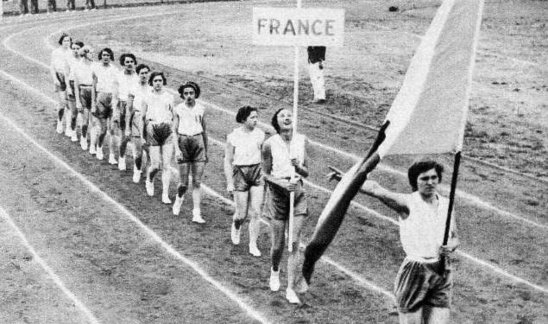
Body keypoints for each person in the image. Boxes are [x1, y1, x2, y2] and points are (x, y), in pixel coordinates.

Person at [328, 159, 459, 324]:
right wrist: (348, 180)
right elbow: (376, 189)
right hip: (416, 270)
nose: (430, 182)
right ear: (415, 182)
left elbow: (454, 237)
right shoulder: (407, 203)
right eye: (424, 179)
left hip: (442, 270)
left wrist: (451, 247)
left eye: (434, 177)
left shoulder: (447, 204)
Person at [262, 108, 310, 304]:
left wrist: (298, 167)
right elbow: (264, 174)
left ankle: (290, 287)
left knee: (294, 243)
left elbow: (307, 172)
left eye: (289, 114)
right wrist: (281, 183)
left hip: (297, 193)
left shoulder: (301, 140)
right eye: (282, 115)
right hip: (277, 194)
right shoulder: (269, 144)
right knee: (278, 245)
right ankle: (274, 270)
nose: (287, 117)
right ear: (276, 122)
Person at [224, 106, 265, 256]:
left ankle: (252, 244)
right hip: (240, 173)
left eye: (256, 117)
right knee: (241, 214)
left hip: (256, 172)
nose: (256, 120)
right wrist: (229, 182)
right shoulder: (233, 136)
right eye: (252, 117)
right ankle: (236, 225)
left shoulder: (260, 134)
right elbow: (228, 160)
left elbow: (265, 156)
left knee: (256, 211)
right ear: (243, 119)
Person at [172, 81, 207, 224]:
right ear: (182, 95)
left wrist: (206, 150)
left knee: (197, 182)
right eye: (186, 93)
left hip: (198, 142)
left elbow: (205, 130)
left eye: (191, 93)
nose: (188, 96)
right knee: (183, 184)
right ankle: (179, 198)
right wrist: (177, 149)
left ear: (195, 94)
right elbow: (174, 131)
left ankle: (196, 213)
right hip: (183, 141)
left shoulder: (201, 109)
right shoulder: (178, 109)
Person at [141, 72, 174, 204]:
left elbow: (174, 115)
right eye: (155, 81)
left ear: (163, 82)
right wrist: (143, 136)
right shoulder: (147, 97)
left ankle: (165, 194)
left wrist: (173, 129)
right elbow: (142, 117)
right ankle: (149, 180)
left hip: (166, 129)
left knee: (167, 165)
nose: (158, 83)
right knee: (156, 165)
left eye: (160, 80)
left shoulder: (169, 97)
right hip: (152, 128)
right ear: (151, 83)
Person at [91, 47, 119, 162]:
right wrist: (93, 103)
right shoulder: (96, 69)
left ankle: (112, 155)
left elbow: (117, 86)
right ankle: (99, 147)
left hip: (112, 98)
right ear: (100, 57)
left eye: (108, 55)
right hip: (101, 98)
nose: (106, 57)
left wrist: (115, 102)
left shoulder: (115, 70)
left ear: (111, 57)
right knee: (103, 129)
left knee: (112, 129)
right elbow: (93, 86)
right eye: (104, 55)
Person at [113, 53, 139, 171]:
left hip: (136, 107)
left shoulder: (138, 76)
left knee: (137, 137)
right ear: (123, 64)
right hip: (123, 106)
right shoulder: (118, 76)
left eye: (131, 62)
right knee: (124, 136)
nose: (129, 64)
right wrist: (116, 112)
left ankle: (136, 163)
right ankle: (122, 158)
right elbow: (115, 95)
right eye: (127, 62)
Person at [127, 63, 151, 183]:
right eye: (142, 73)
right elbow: (129, 109)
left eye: (146, 73)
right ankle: (137, 170)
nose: (144, 75)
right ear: (138, 74)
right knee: (138, 150)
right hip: (137, 118)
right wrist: (127, 126)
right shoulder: (133, 88)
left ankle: (147, 173)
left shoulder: (152, 89)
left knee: (150, 150)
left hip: (149, 120)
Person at [73, 46, 95, 151]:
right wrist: (77, 101)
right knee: (85, 121)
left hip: (94, 92)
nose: (92, 55)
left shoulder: (95, 66)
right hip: (83, 91)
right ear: (85, 54)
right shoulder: (78, 66)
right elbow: (76, 86)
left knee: (94, 121)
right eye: (91, 53)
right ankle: (84, 137)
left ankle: (93, 145)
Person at [50, 33, 72, 134]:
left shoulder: (72, 52)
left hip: (69, 79)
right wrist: (55, 79)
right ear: (61, 42)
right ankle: (59, 121)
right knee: (62, 103)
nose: (67, 43)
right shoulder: (56, 52)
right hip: (60, 77)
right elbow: (52, 67)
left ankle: (68, 127)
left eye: (68, 41)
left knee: (69, 104)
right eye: (65, 41)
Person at [66, 40, 84, 142]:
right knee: (74, 113)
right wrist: (68, 87)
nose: (76, 51)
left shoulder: (85, 60)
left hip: (83, 86)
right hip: (72, 85)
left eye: (78, 49)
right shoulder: (69, 60)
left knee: (83, 112)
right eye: (73, 49)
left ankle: (83, 135)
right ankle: (73, 131)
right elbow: (66, 75)